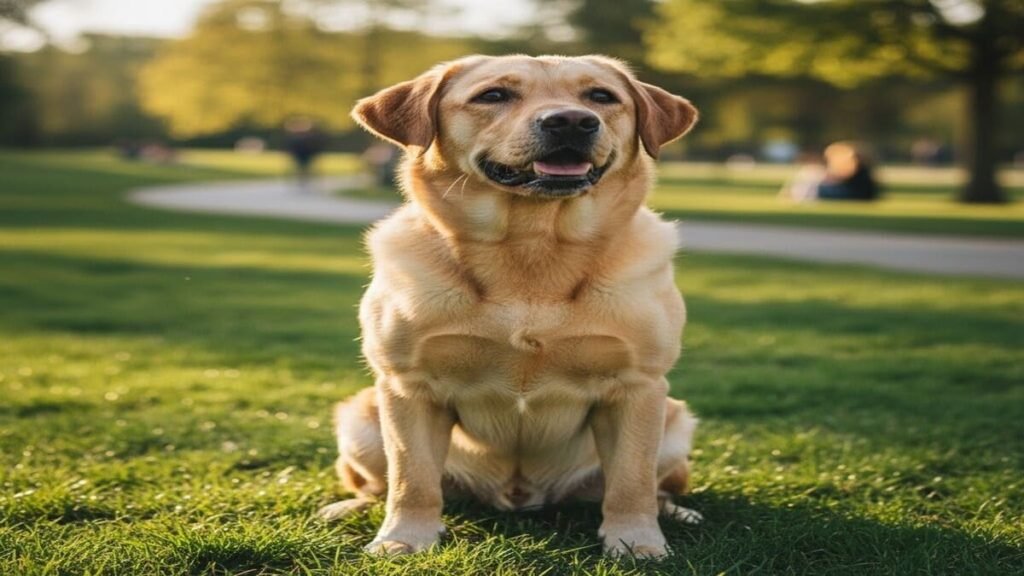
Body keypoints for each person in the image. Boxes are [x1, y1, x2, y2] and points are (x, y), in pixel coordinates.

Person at [780, 142, 880, 202]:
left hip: (851, 194)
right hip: (851, 193)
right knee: (811, 176)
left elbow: (844, 180)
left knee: (811, 177)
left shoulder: (856, 169)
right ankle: (795, 196)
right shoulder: (862, 169)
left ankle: (796, 196)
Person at [284, 117, 325, 188]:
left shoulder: (308, 136)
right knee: (301, 167)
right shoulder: (296, 137)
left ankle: (305, 179)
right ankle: (302, 179)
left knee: (305, 167)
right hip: (299, 154)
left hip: (306, 154)